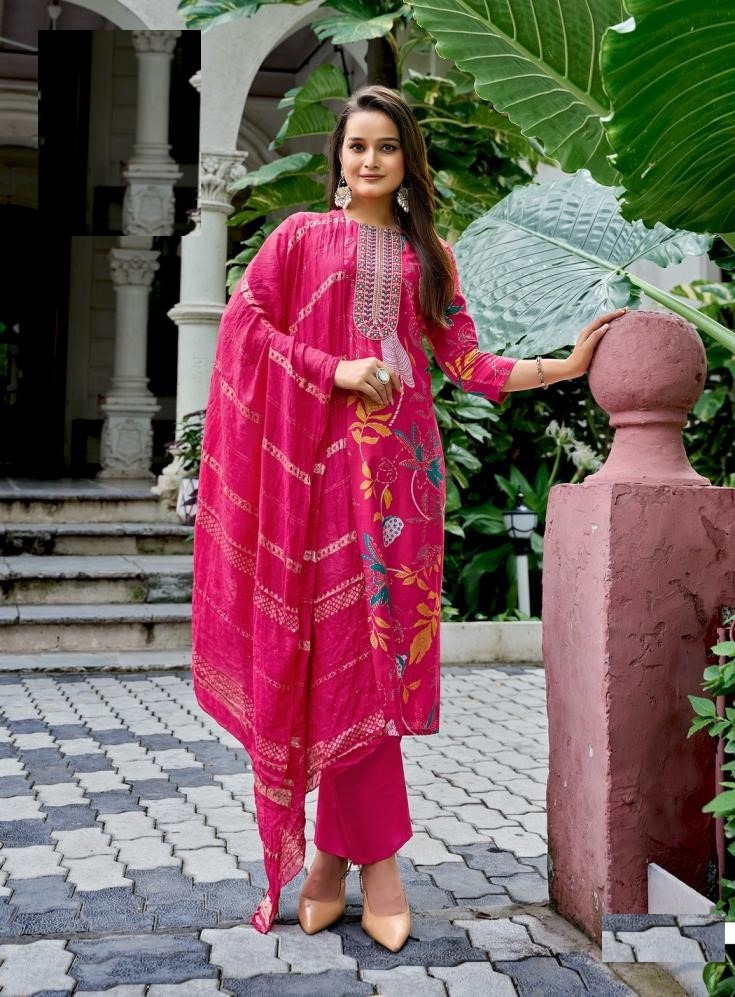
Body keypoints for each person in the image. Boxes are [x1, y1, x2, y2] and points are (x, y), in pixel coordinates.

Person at [191, 84, 625, 952]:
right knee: (334, 658)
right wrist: (336, 369)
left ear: (406, 161)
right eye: (357, 146)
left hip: (402, 486)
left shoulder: (431, 256)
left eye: (386, 146)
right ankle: (374, 864)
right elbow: (245, 330)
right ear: (339, 159)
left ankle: (328, 863)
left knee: (373, 665)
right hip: (316, 483)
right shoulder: (298, 238)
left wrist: (565, 365)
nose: (370, 160)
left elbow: (466, 364)